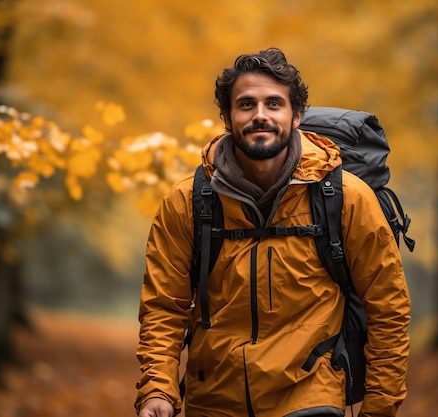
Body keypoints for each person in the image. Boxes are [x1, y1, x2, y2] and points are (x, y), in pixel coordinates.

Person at [135, 48, 411, 417]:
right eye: (246, 104)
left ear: (296, 116)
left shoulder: (346, 198)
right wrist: (158, 390)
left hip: (311, 397)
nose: (260, 115)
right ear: (227, 117)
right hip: (214, 401)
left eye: (274, 104)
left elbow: (388, 309)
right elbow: (162, 307)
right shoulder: (187, 201)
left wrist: (378, 408)